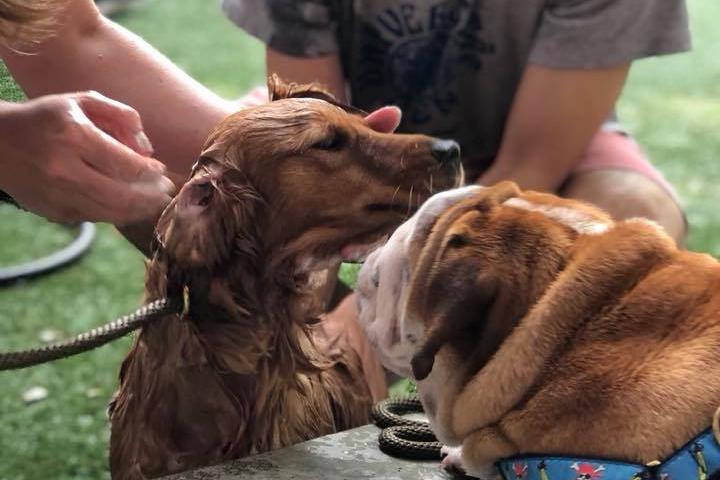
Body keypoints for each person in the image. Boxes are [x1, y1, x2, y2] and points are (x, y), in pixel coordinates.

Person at [221, 0, 690, 244]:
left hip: (534, 136)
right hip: (356, 135)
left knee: (632, 219)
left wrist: (407, 273)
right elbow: (314, 119)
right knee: (208, 185)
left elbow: (532, 166)